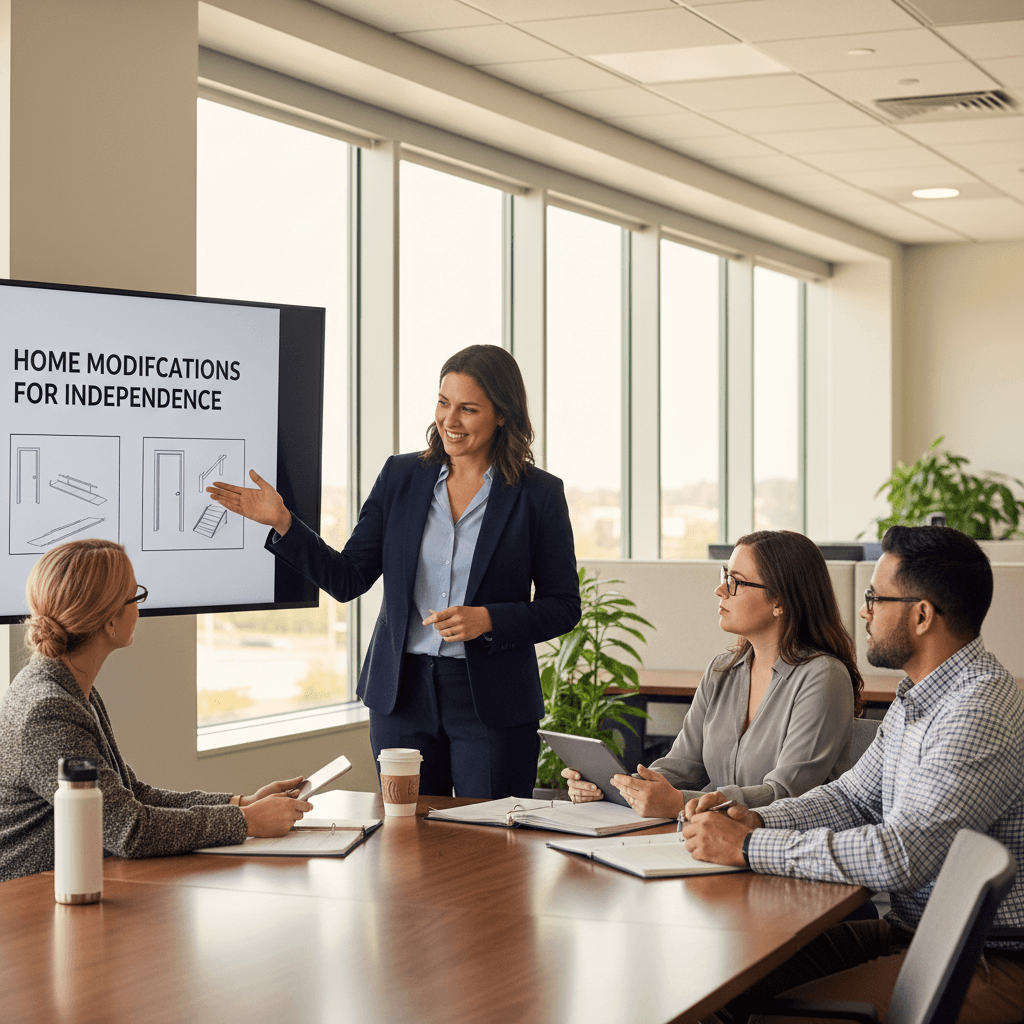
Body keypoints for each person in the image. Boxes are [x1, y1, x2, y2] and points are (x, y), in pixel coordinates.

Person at [682, 525, 1024, 1024]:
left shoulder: (976, 709)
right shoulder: (920, 697)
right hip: (914, 931)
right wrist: (754, 819)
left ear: (922, 615)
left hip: (985, 958)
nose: (863, 611)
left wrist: (748, 848)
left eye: (874, 598)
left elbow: (901, 856)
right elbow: (850, 798)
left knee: (770, 1015)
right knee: (716, 982)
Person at [208, 344, 581, 800]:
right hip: (402, 696)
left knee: (492, 844)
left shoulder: (537, 495)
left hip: (491, 702)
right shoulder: (401, 476)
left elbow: (563, 606)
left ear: (503, 415)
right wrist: (284, 523)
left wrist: (488, 619)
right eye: (443, 403)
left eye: (468, 409)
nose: (450, 420)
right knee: (406, 845)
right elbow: (348, 578)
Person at [0, 539, 312, 884]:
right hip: (29, 899)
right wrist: (249, 822)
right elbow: (128, 830)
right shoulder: (49, 710)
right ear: (109, 623)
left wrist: (240, 803)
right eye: (135, 597)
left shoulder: (68, 687)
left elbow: (131, 795)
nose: (140, 608)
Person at [563, 531, 862, 819]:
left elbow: (787, 794)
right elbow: (682, 767)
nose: (720, 590)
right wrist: (620, 788)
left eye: (736, 582)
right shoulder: (722, 670)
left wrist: (681, 803)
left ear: (779, 602)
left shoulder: (824, 678)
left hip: (786, 850)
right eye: (725, 576)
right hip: (714, 840)